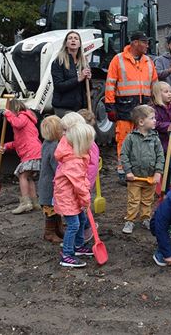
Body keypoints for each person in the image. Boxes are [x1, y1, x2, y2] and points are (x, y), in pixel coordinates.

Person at [106, 31, 158, 185]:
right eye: (144, 42)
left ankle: (140, 169)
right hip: (124, 107)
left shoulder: (148, 61)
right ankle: (123, 171)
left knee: (144, 140)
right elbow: (110, 83)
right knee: (124, 140)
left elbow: (154, 83)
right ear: (135, 43)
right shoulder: (118, 60)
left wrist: (156, 103)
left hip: (144, 107)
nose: (147, 45)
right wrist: (110, 106)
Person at [54, 122, 96, 268]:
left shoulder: (77, 155)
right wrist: (86, 199)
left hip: (73, 196)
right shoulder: (74, 161)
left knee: (82, 219)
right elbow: (78, 184)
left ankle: (78, 246)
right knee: (73, 225)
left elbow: (82, 179)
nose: (91, 144)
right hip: (67, 198)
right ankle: (67, 254)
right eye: (89, 141)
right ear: (81, 142)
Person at [120, 105, 165, 234]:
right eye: (152, 118)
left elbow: (160, 156)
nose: (155, 120)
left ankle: (146, 218)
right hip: (134, 177)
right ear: (141, 122)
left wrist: (158, 173)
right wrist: (127, 171)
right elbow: (124, 155)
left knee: (147, 200)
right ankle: (130, 220)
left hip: (149, 178)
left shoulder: (155, 139)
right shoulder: (131, 138)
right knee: (133, 200)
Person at [0, 98, 42, 214]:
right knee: (29, 177)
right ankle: (34, 202)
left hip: (30, 152)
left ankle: (25, 203)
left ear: (14, 110)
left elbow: (17, 123)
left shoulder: (22, 117)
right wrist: (6, 146)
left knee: (22, 175)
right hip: (35, 151)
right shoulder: (28, 121)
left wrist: (7, 114)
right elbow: (18, 142)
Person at [51, 31, 91, 117]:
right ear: (66, 44)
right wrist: (79, 78)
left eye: (76, 38)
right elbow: (58, 86)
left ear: (80, 44)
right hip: (64, 108)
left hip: (80, 108)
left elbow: (87, 89)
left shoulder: (83, 63)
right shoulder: (58, 62)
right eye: (70, 38)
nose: (73, 40)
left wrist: (88, 79)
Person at [38, 115, 64, 243]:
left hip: (45, 182)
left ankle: (58, 229)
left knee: (56, 209)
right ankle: (49, 232)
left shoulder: (46, 143)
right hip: (50, 185)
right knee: (51, 210)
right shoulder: (54, 146)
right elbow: (56, 166)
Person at [77, 109, 101, 242]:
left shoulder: (90, 145)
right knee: (79, 207)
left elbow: (92, 168)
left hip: (84, 182)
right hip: (79, 181)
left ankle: (87, 228)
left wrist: (85, 184)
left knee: (82, 207)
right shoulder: (81, 142)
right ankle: (86, 226)